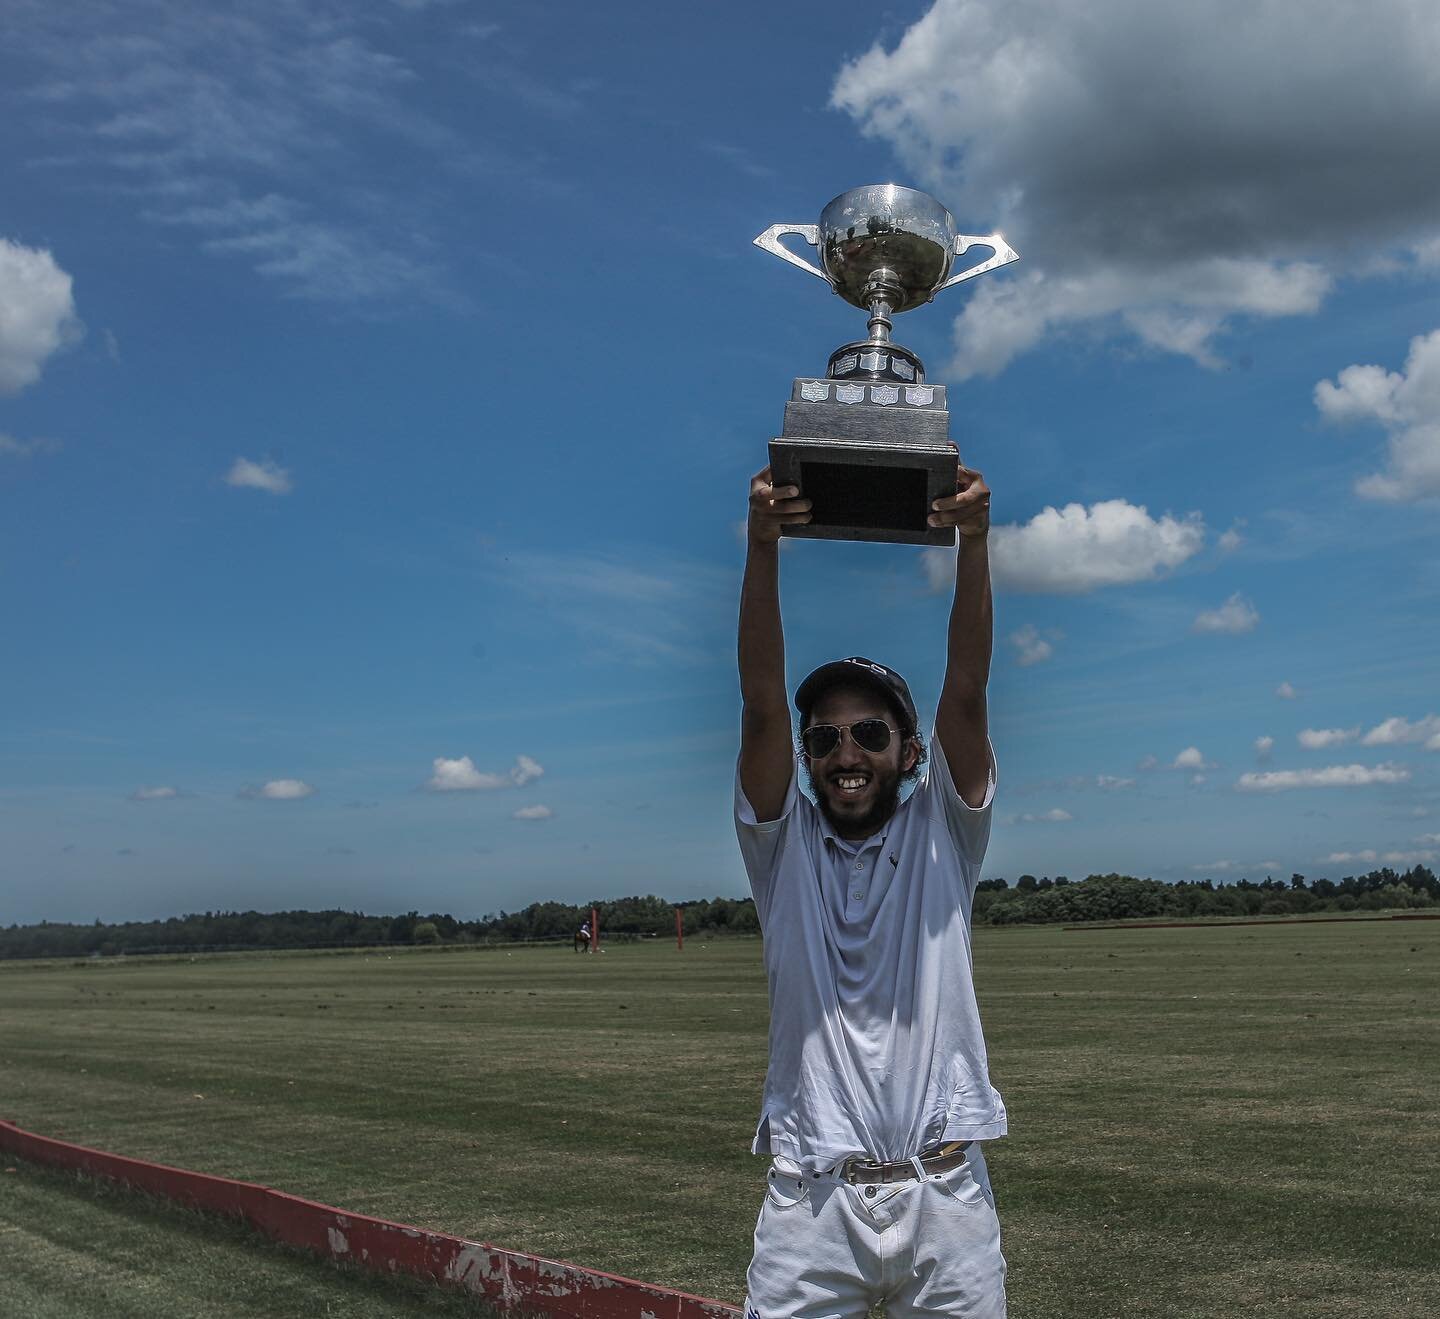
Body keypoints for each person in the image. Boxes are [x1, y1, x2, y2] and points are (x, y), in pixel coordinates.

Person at [735, 462, 1006, 1318]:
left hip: (947, 1196)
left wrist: (973, 544)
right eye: (826, 738)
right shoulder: (783, 848)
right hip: (810, 1204)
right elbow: (759, 709)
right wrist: (762, 545)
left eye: (870, 732)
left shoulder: (943, 832)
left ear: (909, 751)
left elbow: (966, 689)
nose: (845, 753)